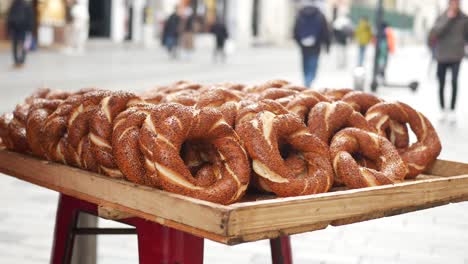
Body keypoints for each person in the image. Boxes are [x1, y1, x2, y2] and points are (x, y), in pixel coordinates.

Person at [429, 0, 468, 123]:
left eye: (457, 3)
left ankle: (452, 110)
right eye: (452, 2)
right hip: (442, 55)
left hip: (456, 55)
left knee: (454, 82)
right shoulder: (442, 16)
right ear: (449, 4)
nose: (455, 5)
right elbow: (435, 33)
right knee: (441, 82)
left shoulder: (464, 18)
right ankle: (442, 109)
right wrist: (448, 19)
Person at [294, 5, 330, 88]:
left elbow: (295, 30)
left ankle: (306, 81)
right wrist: (327, 45)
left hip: (304, 45)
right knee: (313, 64)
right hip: (316, 45)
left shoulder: (300, 14)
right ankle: (309, 81)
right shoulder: (320, 15)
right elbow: (325, 31)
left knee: (305, 64)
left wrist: (299, 42)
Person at [6, 0, 34, 68]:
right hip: (23, 29)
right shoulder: (26, 5)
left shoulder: (13, 5)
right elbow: (30, 18)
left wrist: (9, 29)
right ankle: (21, 61)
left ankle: (17, 61)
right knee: (24, 45)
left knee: (15, 45)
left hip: (16, 29)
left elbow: (9, 17)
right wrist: (30, 29)